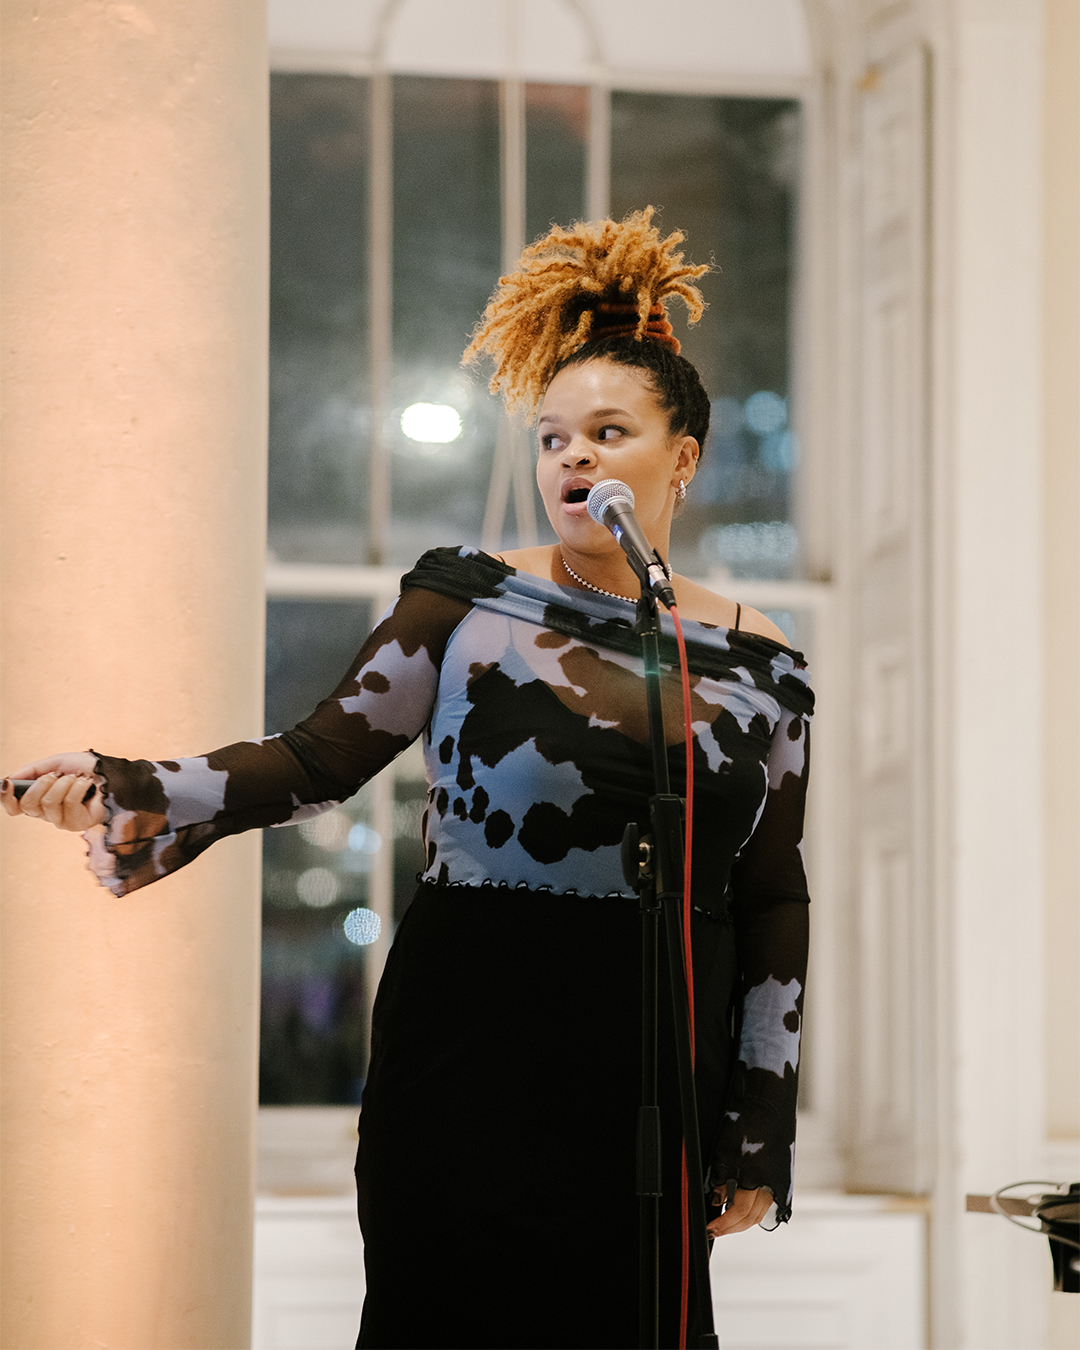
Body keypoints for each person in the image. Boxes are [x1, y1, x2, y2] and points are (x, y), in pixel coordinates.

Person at [1, 208, 813, 1350]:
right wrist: (132, 782)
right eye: (550, 438)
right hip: (469, 1039)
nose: (572, 458)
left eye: (608, 433)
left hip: (652, 1063)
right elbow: (316, 760)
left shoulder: (758, 659)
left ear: (681, 458)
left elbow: (774, 891)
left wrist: (759, 1125)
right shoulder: (467, 597)